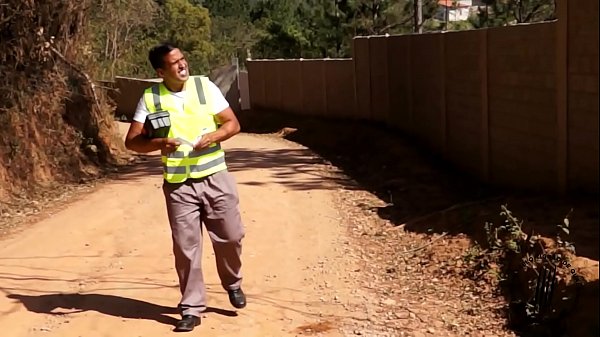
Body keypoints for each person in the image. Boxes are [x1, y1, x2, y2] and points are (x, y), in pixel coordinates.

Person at [124, 42, 246, 332]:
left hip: (215, 177)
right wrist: (158, 144)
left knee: (231, 237)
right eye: (174, 62)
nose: (182, 65)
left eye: (183, 59)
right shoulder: (151, 97)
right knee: (186, 249)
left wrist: (214, 136)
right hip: (179, 185)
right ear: (160, 70)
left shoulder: (205, 87)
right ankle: (191, 308)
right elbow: (132, 142)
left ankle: (233, 283)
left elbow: (233, 124)